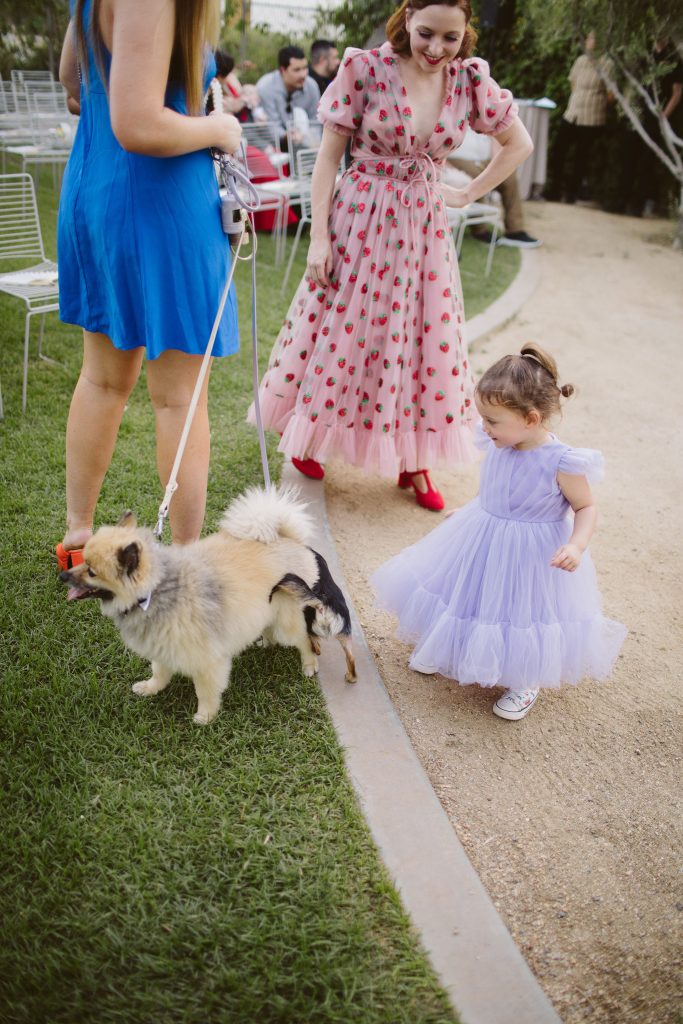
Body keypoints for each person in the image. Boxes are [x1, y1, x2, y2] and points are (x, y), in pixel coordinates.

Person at [249, 0, 533, 510]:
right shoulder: (364, 68)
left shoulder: (469, 79)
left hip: (423, 228)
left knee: (423, 337)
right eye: (426, 33)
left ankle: (414, 459)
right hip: (360, 217)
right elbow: (328, 159)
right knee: (345, 330)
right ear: (406, 19)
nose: (436, 48)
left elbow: (519, 143)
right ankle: (310, 435)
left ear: (465, 34)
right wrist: (319, 239)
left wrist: (468, 193)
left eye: (450, 38)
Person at [56, 0, 242, 567]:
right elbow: (137, 123)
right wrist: (219, 127)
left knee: (102, 379)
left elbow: (72, 81)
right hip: (161, 203)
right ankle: (185, 563)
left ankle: (78, 536)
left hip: (97, 187)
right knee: (179, 399)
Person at [371, 344, 627, 720]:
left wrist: (576, 544)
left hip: (532, 552)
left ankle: (525, 677)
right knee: (469, 590)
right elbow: (496, 489)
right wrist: (470, 511)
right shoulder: (499, 441)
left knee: (522, 609)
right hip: (483, 532)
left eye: (492, 421)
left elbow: (586, 507)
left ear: (531, 419)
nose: (484, 427)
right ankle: (446, 646)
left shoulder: (562, 462)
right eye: (484, 419)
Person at [548, 32, 613, 205]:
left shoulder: (607, 64)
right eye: (589, 38)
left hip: (592, 116)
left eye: (592, 38)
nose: (589, 42)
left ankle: (571, 192)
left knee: (581, 156)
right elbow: (573, 83)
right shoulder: (581, 60)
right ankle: (555, 188)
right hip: (573, 112)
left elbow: (610, 94)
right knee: (559, 150)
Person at [256, 45, 320, 145]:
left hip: (306, 144)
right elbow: (270, 127)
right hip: (272, 146)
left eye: (305, 68)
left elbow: (315, 122)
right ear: (283, 70)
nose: (303, 74)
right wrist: (288, 136)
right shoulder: (265, 87)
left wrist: (306, 136)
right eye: (297, 70)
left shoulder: (311, 86)